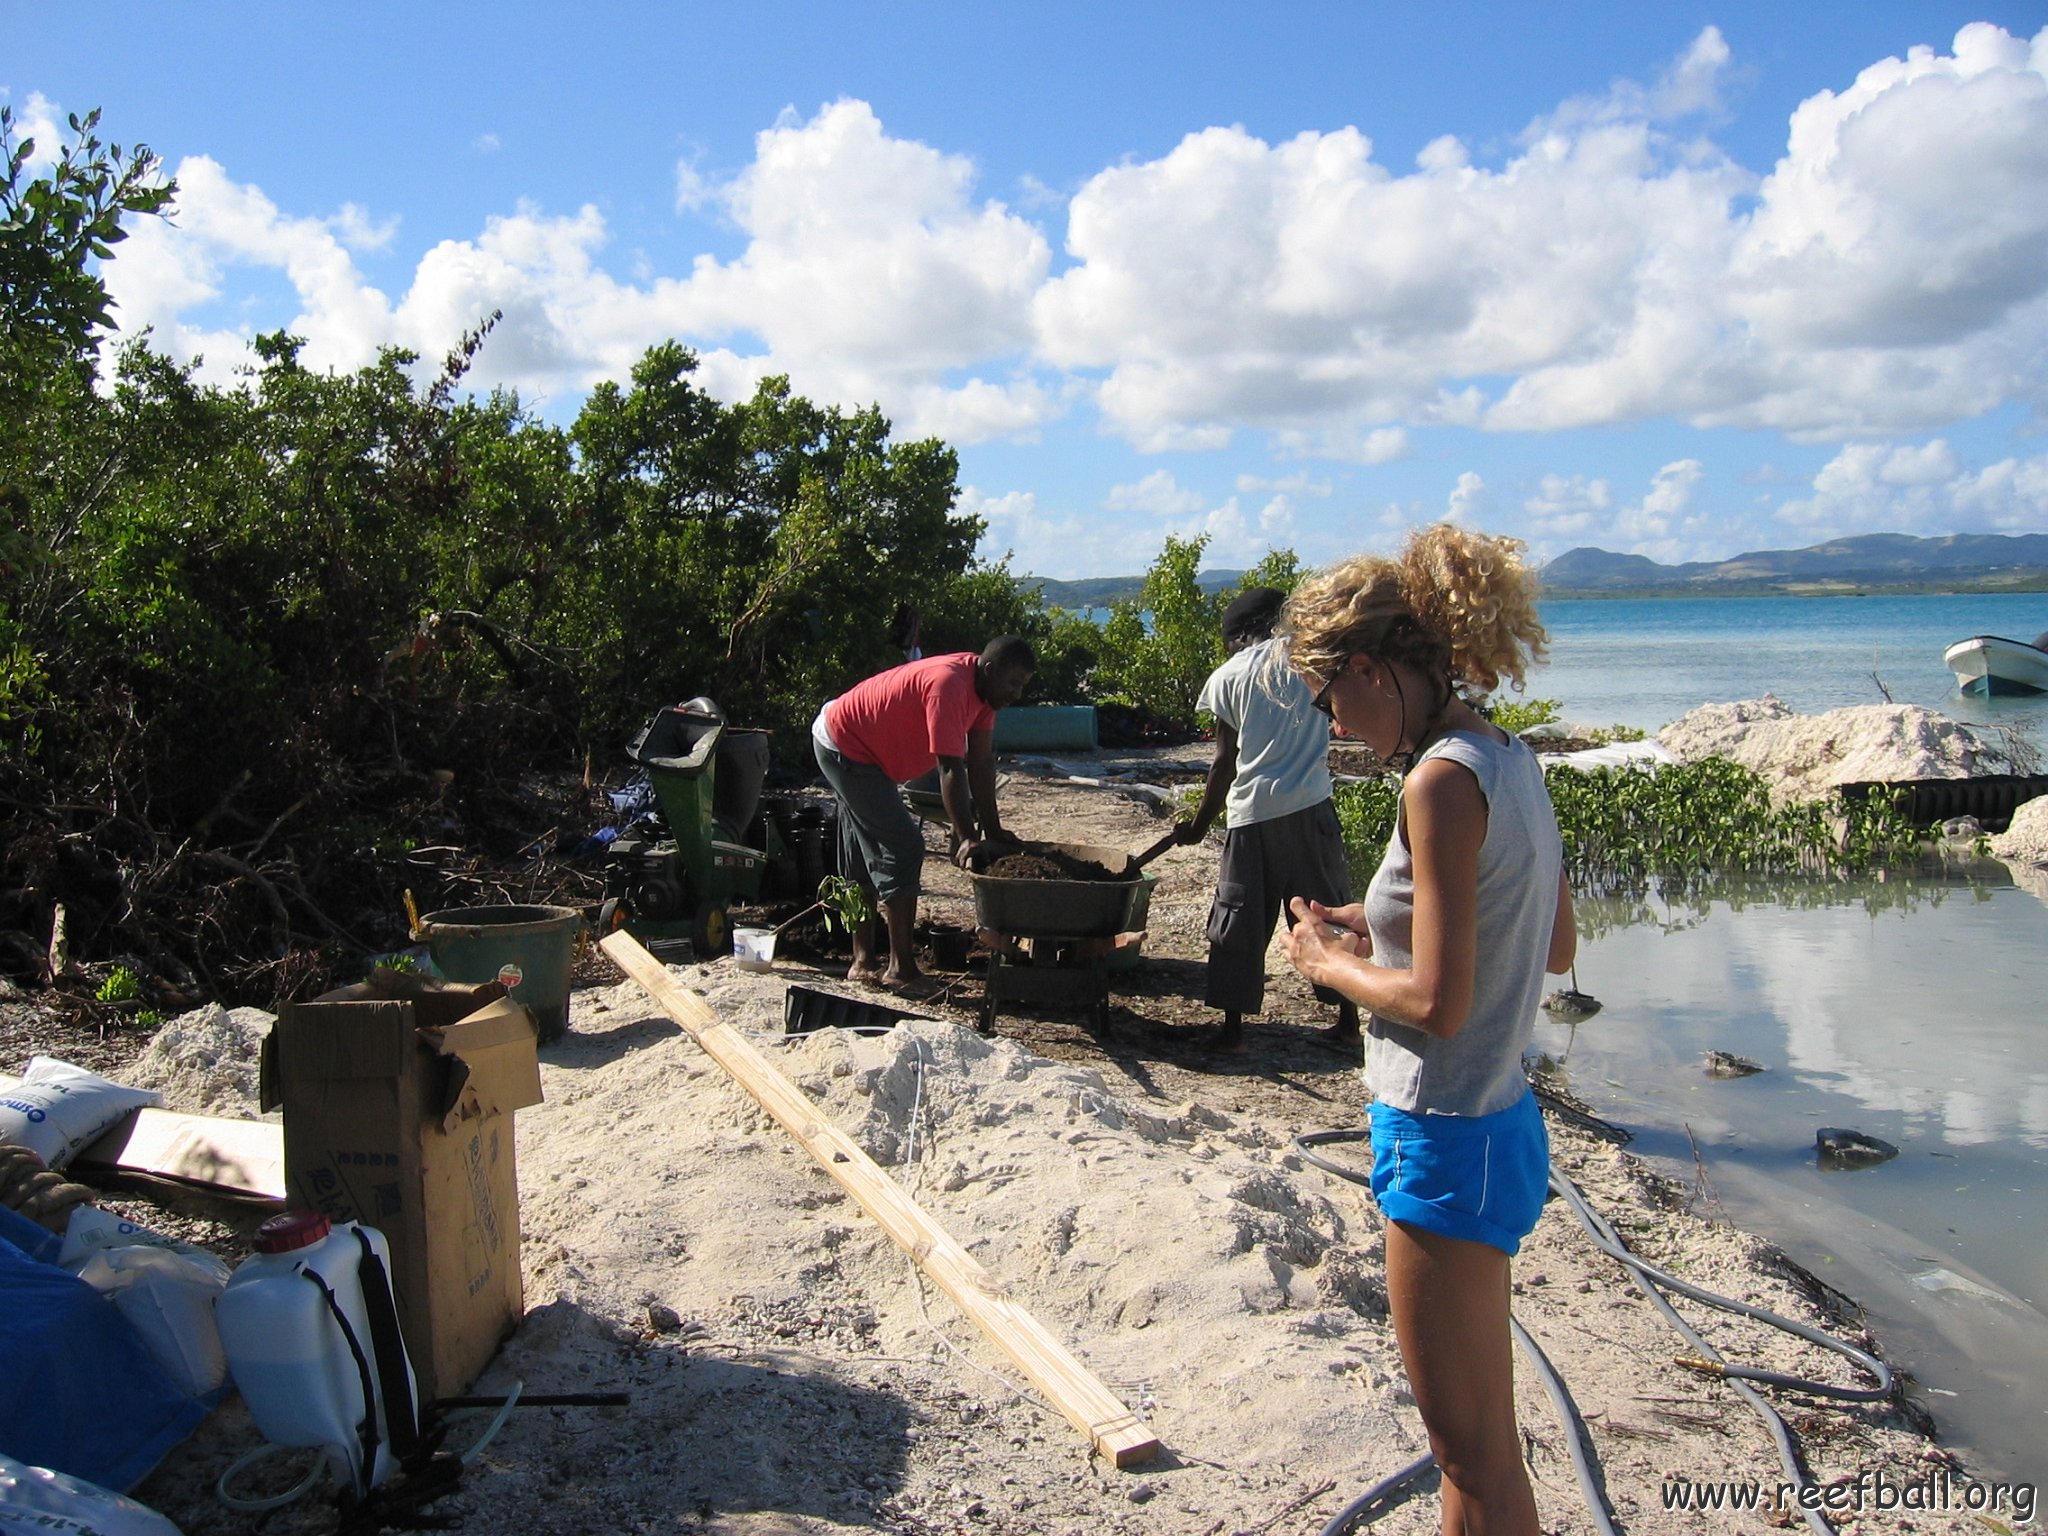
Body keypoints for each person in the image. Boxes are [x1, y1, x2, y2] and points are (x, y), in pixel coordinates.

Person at [1277, 524, 1576, 1536]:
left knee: (1474, 1459)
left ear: (1365, 668)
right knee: (1473, 1454)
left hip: (1442, 1134)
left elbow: (1438, 1004)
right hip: (1496, 1126)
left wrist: (1327, 964)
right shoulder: (1508, 757)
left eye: (1329, 701)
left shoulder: (1436, 780)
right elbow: (1548, 940)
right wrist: (1377, 923)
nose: (1334, 725)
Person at [1177, 587, 1360, 1053]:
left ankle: (1233, 1028)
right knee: (1327, 911)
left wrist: (1199, 825)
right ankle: (1347, 1019)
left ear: (1240, 635)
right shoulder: (1311, 659)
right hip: (1312, 807)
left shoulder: (1230, 675)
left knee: (1238, 919)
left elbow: (1224, 762)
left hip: (1253, 816)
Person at [812, 637, 1035, 991]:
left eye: (1022, 686)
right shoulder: (949, 684)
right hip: (846, 745)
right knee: (904, 845)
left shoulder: (985, 697)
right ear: (991, 670)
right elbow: (950, 768)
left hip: (870, 752)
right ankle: (901, 971)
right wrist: (965, 837)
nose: (1017, 694)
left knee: (861, 852)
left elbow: (978, 763)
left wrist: (993, 831)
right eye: (1013, 683)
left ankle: (863, 962)